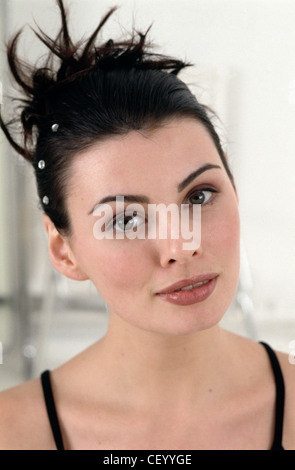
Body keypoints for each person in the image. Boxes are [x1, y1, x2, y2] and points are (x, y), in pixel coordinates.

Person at [0, 0, 294, 450]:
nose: (179, 245)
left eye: (199, 196)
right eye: (125, 219)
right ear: (64, 250)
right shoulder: (13, 432)